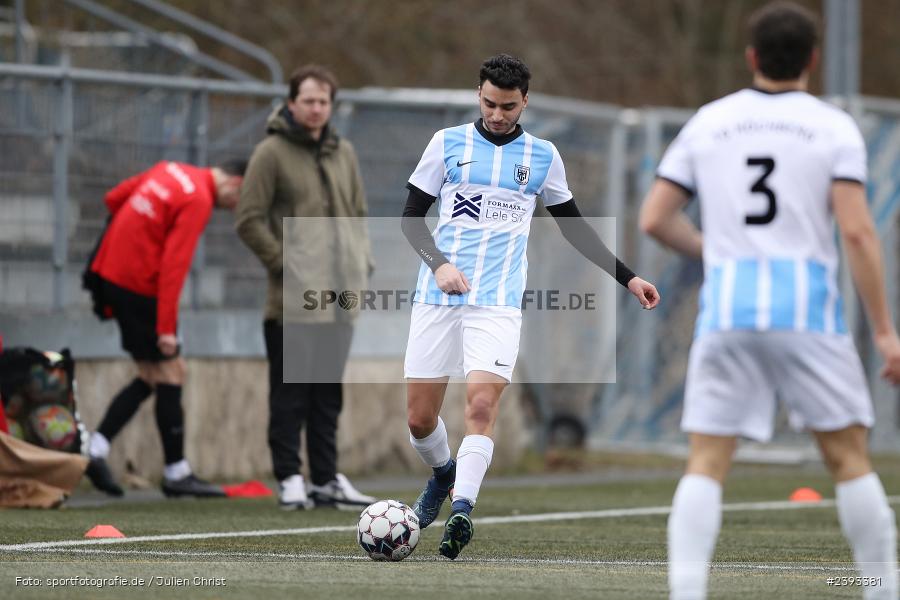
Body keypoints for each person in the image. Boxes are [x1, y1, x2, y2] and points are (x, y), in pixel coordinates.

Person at [639, 3, 900, 599]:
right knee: (847, 457)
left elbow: (655, 217)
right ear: (812, 59)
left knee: (706, 461)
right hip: (806, 311)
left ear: (752, 57)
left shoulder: (710, 121)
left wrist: (716, 251)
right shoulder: (832, 126)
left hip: (728, 309)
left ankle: (686, 594)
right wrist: (885, 330)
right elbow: (858, 233)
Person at [402, 54, 659, 559]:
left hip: (498, 303)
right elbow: (411, 218)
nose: (498, 115)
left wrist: (628, 278)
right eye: (490, 103)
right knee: (418, 420)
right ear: (478, 93)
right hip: (438, 295)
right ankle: (444, 474)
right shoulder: (447, 143)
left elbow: (574, 225)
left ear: (526, 102)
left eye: (509, 107)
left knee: (480, 405)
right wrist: (438, 264)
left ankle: (461, 512)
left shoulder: (542, 156)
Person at [236, 64, 376, 511]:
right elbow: (248, 219)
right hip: (291, 304)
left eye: (324, 101)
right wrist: (285, 264)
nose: (317, 109)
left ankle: (326, 478)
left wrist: (362, 264)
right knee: (290, 394)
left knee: (327, 395)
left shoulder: (345, 152)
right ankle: (290, 478)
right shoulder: (270, 153)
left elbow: (357, 213)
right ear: (292, 103)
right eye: (309, 100)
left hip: (339, 300)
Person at [84, 159, 246, 498]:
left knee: (150, 374)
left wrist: (131, 236)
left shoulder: (170, 169)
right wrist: (166, 329)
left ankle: (96, 450)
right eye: (240, 200)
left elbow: (114, 198)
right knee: (172, 372)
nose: (235, 208)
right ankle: (176, 472)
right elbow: (174, 266)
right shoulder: (198, 199)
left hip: (107, 270)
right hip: (136, 284)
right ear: (235, 183)